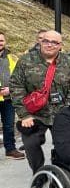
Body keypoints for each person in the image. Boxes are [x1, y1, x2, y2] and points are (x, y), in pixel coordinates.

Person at [10, 30, 70, 174]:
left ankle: (60, 174)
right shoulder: (26, 60)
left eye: (54, 42)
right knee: (30, 144)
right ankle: (39, 173)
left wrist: (66, 114)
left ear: (60, 45)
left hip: (61, 113)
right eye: (46, 41)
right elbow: (16, 86)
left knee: (65, 146)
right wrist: (24, 114)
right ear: (40, 42)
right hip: (35, 114)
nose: (50, 45)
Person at [0, 31, 25, 160]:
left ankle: (10, 149)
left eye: (1, 41)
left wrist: (10, 89)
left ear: (5, 42)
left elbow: (18, 78)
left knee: (9, 125)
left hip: (8, 98)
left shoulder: (12, 58)